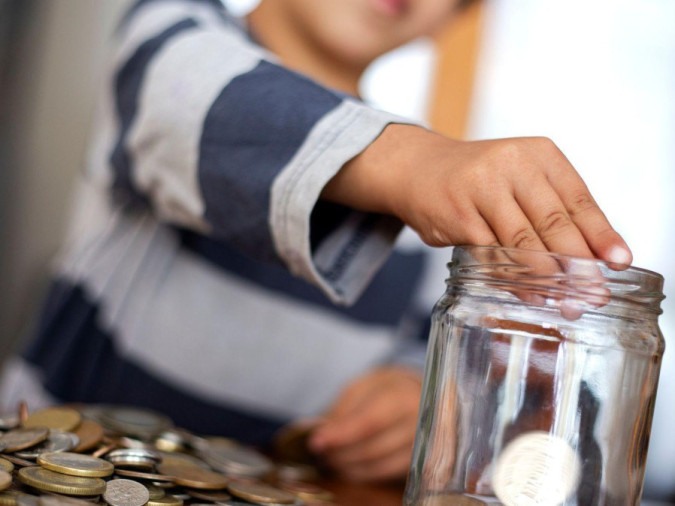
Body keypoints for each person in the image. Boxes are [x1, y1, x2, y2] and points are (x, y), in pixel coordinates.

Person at [0, 0, 631, 483]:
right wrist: (414, 163)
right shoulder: (171, 34)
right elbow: (200, 97)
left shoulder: (426, 226)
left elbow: (425, 358)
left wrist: (419, 400)